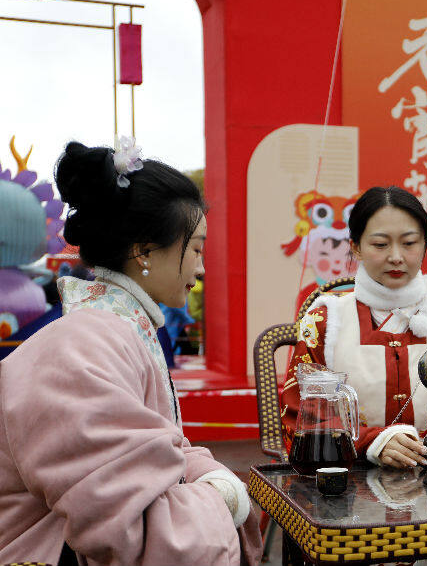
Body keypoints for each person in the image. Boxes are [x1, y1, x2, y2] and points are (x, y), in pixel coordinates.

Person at [0, 140, 262, 565]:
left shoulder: (108, 333)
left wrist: (208, 478)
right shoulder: (80, 348)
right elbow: (129, 528)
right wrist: (223, 496)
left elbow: (159, 453)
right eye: (195, 248)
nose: (201, 267)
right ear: (143, 251)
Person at [281, 186, 427, 471]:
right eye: (380, 244)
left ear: (426, 244)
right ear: (355, 247)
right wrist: (371, 442)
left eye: (409, 243)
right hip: (348, 493)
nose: (396, 257)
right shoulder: (325, 324)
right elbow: (300, 419)